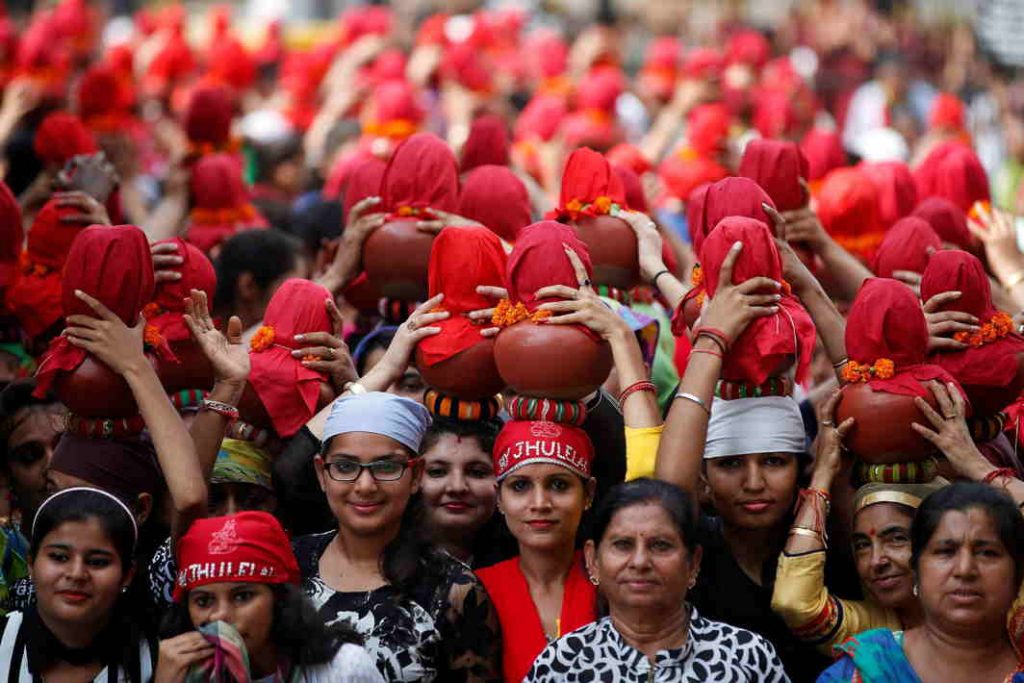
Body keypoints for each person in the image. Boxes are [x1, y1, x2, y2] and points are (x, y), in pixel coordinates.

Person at [476, 237, 663, 683]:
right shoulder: (471, 590)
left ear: (589, 493)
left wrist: (620, 336)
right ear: (497, 496)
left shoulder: (627, 578)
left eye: (559, 484)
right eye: (521, 486)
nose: (539, 503)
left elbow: (652, 479)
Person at [293, 391, 502, 681]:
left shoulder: (453, 591)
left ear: (416, 475)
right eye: (345, 466)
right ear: (321, 472)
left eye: (386, 467)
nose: (365, 486)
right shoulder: (288, 565)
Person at [526, 478, 789, 682]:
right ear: (593, 560)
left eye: (661, 545)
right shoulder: (564, 662)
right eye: (623, 545)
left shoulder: (744, 656)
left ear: (693, 562)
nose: (640, 562)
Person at [771, 389, 944, 652]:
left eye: (897, 539)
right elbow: (794, 603)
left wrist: (977, 467)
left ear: (943, 541)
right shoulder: (878, 630)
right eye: (862, 544)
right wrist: (822, 477)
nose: (876, 561)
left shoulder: (1005, 613)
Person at [818, 482, 1024, 682]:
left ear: (1018, 575)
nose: (964, 569)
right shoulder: (864, 671)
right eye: (945, 552)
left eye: (987, 553)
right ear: (917, 569)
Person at [156, 511, 383, 682]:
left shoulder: (342, 669)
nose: (220, 615)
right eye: (203, 601)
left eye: (242, 596)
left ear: (280, 599)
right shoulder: (181, 673)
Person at [0, 487, 156, 681]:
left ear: (127, 575)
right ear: (31, 564)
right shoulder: (3, 640)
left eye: (98, 562)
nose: (76, 574)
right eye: (59, 557)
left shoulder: (156, 657)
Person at [419, 417, 511, 566]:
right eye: (437, 472)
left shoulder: (529, 565)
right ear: (413, 478)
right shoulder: (381, 563)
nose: (457, 487)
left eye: (477, 472)